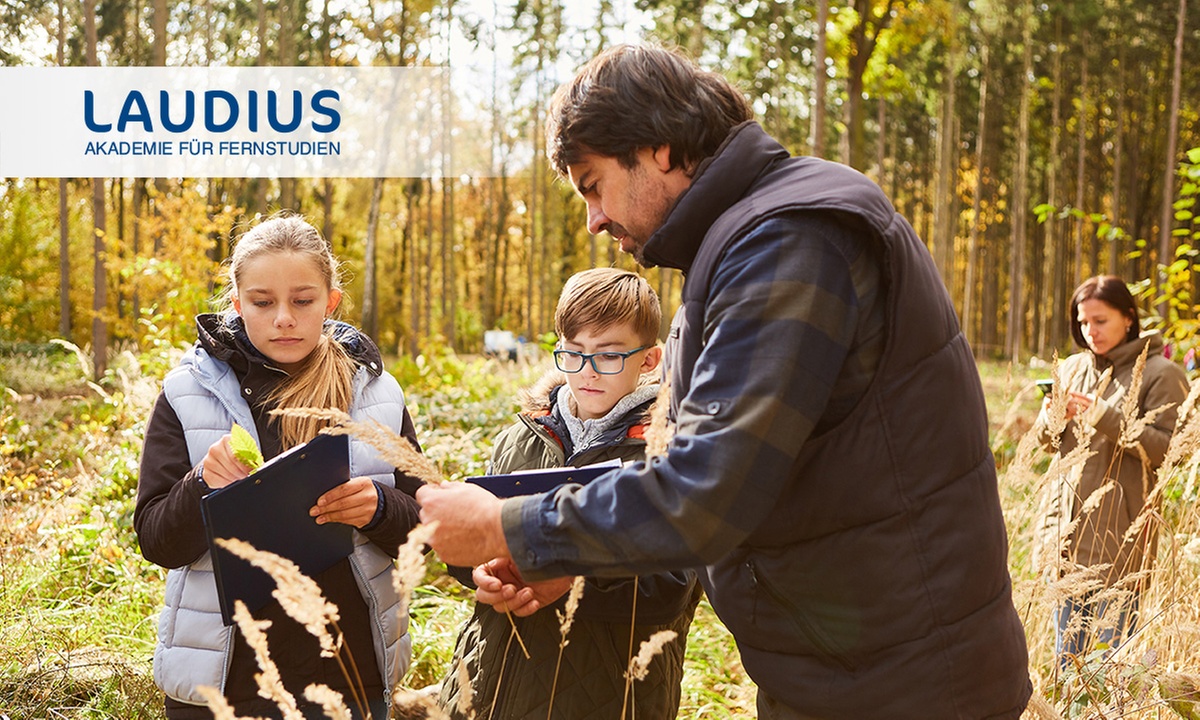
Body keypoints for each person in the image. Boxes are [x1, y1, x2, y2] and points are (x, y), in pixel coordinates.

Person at [416, 44, 1032, 719]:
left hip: (899, 686)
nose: (593, 219)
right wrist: (576, 562)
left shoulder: (789, 239)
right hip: (850, 670)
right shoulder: (745, 244)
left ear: (658, 147)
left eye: (592, 184)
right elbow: (741, 484)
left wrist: (510, 527)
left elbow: (706, 492)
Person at [134, 214, 423, 719]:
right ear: (237, 303)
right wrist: (203, 484)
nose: (283, 318)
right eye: (263, 303)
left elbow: (426, 529)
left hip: (350, 676)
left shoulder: (377, 394)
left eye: (303, 300)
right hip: (222, 684)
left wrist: (378, 507)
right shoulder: (186, 394)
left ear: (330, 302)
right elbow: (157, 541)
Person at [437, 267, 700, 720]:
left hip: (605, 695)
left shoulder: (670, 452)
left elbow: (672, 587)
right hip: (488, 688)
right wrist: (479, 571)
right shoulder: (520, 439)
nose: (588, 372)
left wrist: (570, 578)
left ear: (650, 360)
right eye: (574, 354)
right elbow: (467, 546)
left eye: (609, 356)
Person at [1033, 275, 1188, 669]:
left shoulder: (1161, 373)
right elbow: (1048, 445)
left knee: (1108, 673)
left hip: (1120, 546)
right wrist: (1051, 418)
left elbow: (1171, 451)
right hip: (1065, 540)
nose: (1090, 332)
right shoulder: (1070, 368)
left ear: (1129, 318)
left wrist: (1102, 415)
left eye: (1100, 321)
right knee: (1065, 668)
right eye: (1083, 323)